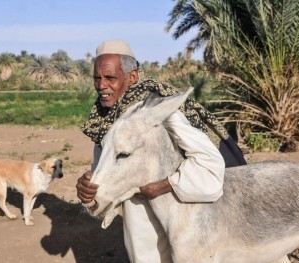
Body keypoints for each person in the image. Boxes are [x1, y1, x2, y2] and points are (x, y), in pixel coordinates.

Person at [76, 40, 247, 263]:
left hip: (184, 211)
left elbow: (209, 161)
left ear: (133, 76)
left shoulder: (158, 109)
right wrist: (89, 189)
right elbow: (104, 171)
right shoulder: (104, 118)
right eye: (97, 78)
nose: (101, 85)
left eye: (110, 78)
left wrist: (162, 186)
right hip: (138, 217)